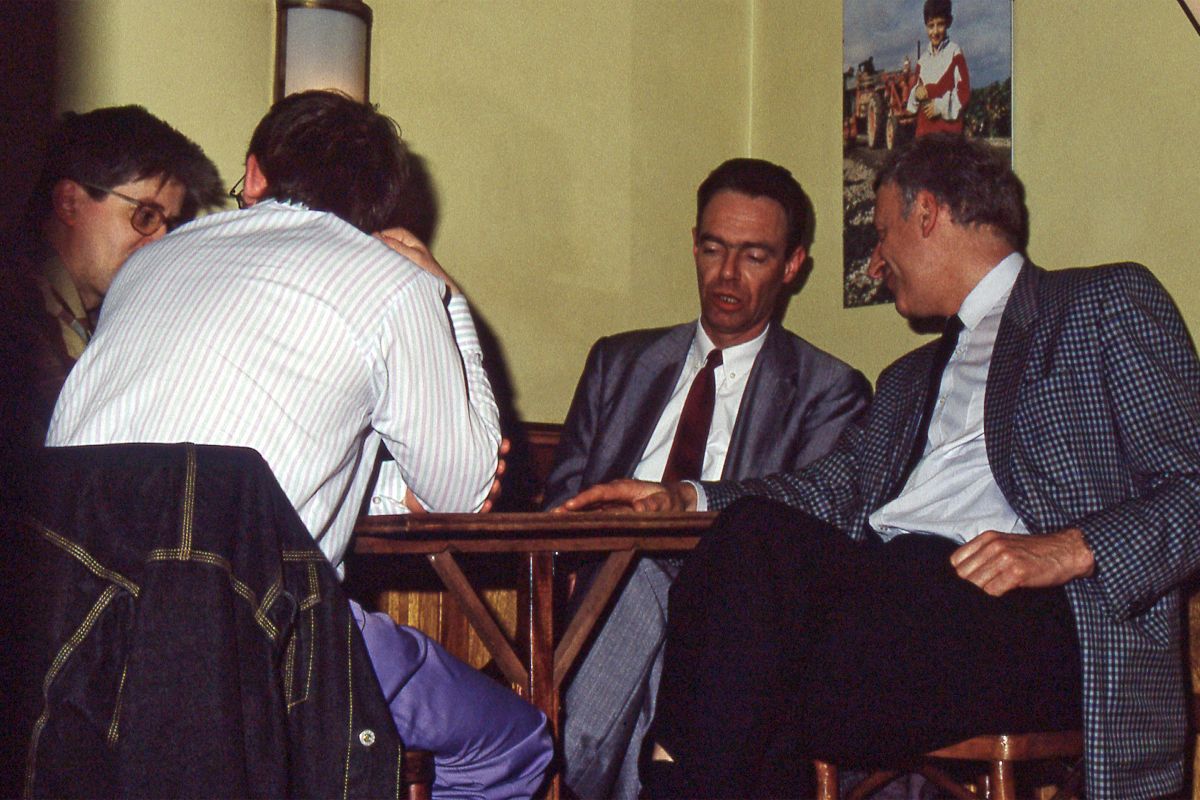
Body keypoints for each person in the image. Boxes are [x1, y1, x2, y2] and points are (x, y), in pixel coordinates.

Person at [562, 134, 1200, 800]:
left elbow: (1194, 484)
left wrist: (1069, 548)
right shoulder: (905, 379)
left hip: (1034, 618)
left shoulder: (1100, 304)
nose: (875, 261)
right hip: (898, 606)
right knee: (746, 592)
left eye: (882, 231)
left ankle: (671, 779)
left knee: (756, 628)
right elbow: (829, 490)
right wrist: (686, 498)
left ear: (926, 213)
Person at [46, 90, 552, 799]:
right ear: (380, 210)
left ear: (253, 175)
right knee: (515, 744)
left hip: (67, 629)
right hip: (253, 646)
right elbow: (464, 493)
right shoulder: (393, 286)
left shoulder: (146, 266)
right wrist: (446, 298)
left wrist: (378, 488)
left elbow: (216, 448)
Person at [546, 158, 870, 799]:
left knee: (646, 579)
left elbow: (804, 541)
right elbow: (560, 512)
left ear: (792, 265)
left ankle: (544, 774)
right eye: (715, 249)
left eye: (754, 256)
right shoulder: (617, 363)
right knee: (633, 581)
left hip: (736, 636)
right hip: (596, 610)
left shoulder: (829, 392)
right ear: (695, 245)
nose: (726, 275)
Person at [1, 105, 223, 450]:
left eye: (171, 225)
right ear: (69, 202)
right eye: (146, 216)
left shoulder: (106, 318)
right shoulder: (17, 319)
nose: (161, 242)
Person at [906, 0, 970, 138]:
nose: (935, 31)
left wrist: (940, 107)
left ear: (949, 22)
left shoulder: (955, 53)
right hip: (924, 137)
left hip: (948, 137)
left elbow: (964, 94)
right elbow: (912, 106)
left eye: (940, 24)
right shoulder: (922, 61)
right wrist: (916, 92)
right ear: (926, 26)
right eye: (931, 26)